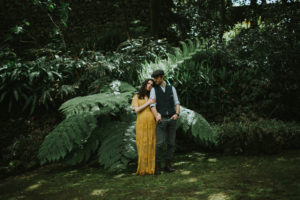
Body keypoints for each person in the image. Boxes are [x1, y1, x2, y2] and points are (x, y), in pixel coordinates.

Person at [150, 69, 180, 175]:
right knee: (159, 144)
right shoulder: (154, 89)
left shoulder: (172, 88)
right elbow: (152, 105)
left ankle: (168, 165)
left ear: (162, 77)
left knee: (171, 143)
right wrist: (157, 116)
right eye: (154, 78)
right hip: (161, 119)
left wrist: (177, 114)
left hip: (172, 119)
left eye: (156, 78)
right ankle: (157, 167)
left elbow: (177, 103)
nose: (154, 80)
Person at [131, 79, 156, 175]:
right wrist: (148, 103)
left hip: (151, 123)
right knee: (142, 144)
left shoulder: (152, 97)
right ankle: (142, 169)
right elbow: (137, 110)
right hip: (141, 123)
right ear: (144, 84)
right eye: (148, 83)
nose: (149, 85)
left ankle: (151, 168)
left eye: (152, 84)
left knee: (151, 143)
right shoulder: (137, 96)